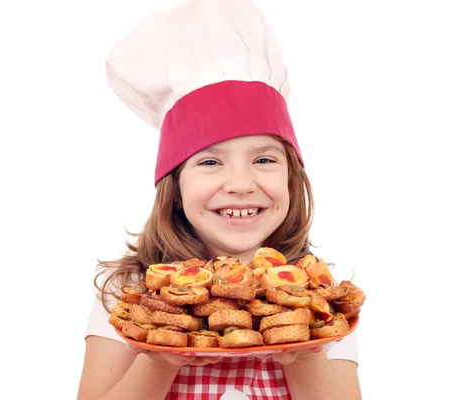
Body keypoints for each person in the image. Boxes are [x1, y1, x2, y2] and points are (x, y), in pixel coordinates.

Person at [77, 0, 362, 399]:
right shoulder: (130, 292)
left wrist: (306, 350)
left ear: (292, 181)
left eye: (263, 159)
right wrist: (158, 357)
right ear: (174, 190)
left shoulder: (316, 295)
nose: (241, 183)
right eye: (210, 161)